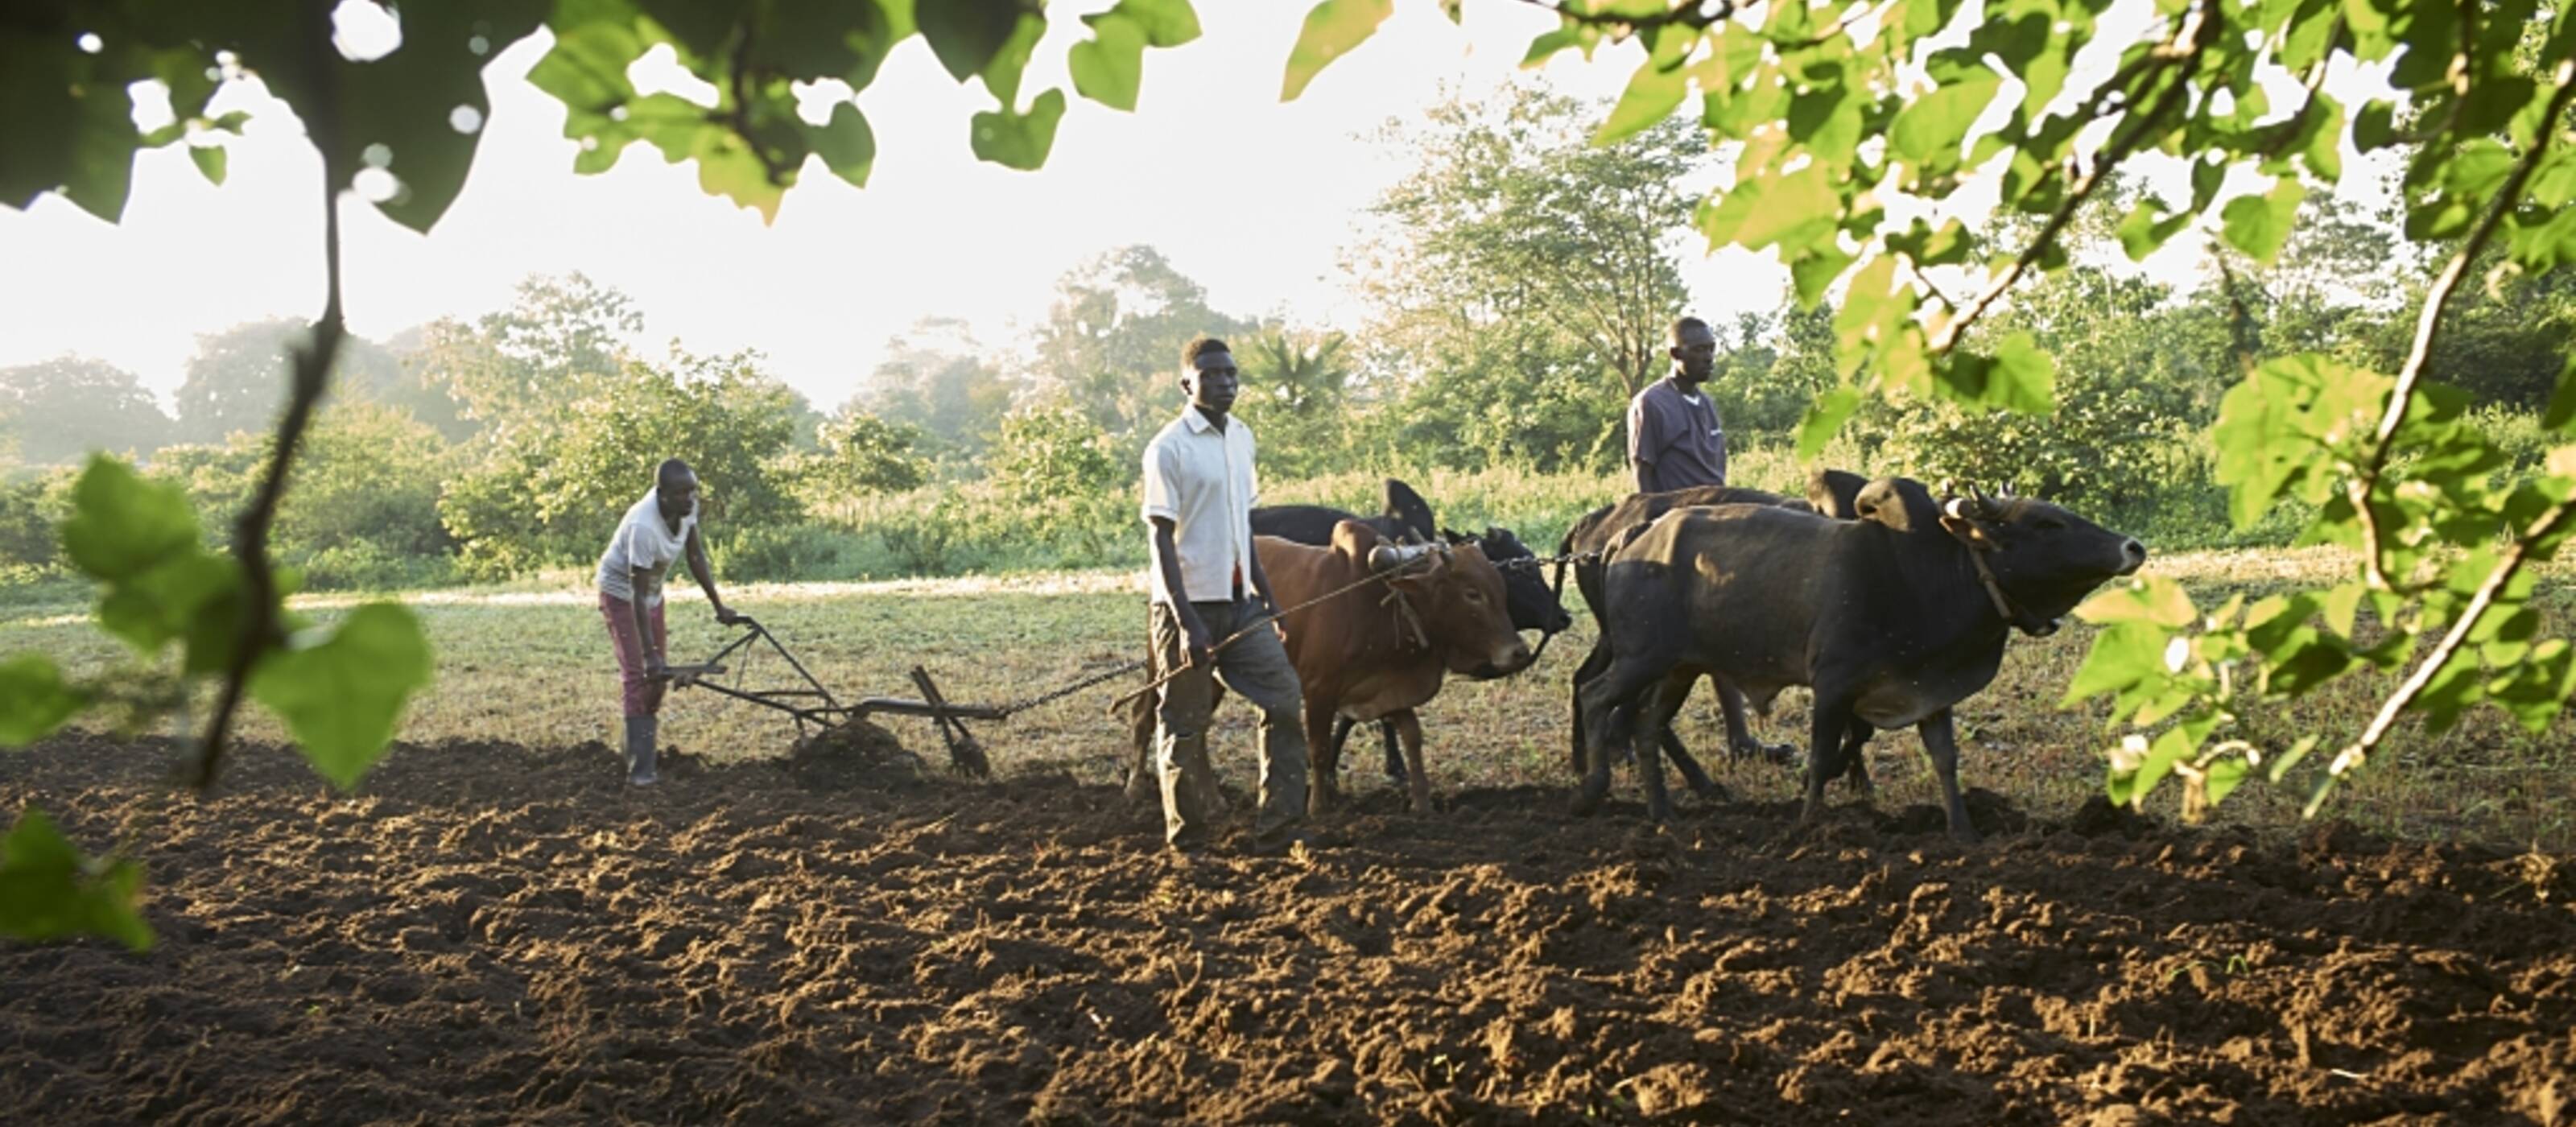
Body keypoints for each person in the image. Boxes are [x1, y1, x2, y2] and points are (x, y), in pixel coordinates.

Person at [1140, 336, 1312, 857]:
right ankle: (1188, 841)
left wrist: (1269, 596)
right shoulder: (1168, 447)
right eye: (1212, 375)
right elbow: (1160, 541)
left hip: (1242, 605)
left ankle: (1281, 828)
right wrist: (1187, 622)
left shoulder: (1242, 438)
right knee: (1185, 726)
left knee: (1284, 701)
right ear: (1187, 382)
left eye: (1232, 375)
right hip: (1187, 609)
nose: (1225, 383)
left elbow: (1243, 528)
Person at [597, 458, 742, 785]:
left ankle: (635, 749)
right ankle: (641, 772)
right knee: (640, 674)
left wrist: (719, 605)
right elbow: (636, 593)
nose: (689, 499)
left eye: (692, 491)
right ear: (662, 494)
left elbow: (695, 555)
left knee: (658, 678)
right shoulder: (643, 527)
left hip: (651, 595)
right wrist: (648, 652)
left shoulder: (688, 508)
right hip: (622, 595)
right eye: (680, 493)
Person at [1627, 316, 1729, 494]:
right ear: (1676, 354)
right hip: (1679, 515)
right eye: (1699, 350)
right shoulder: (1652, 403)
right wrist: (1649, 516)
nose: (1709, 358)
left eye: (1711, 349)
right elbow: (1642, 470)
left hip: (1717, 509)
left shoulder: (1707, 403)